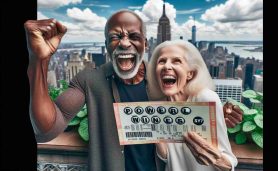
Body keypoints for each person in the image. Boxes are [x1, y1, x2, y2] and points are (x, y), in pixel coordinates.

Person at [24, 10, 242, 171]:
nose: (124, 43)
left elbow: (197, 105)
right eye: (115, 37)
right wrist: (38, 61)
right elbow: (46, 131)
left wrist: (223, 113)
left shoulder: (164, 81)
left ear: (146, 44)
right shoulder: (89, 80)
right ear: (107, 45)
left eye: (134, 37)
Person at [147, 40, 237, 171]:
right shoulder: (159, 107)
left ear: (190, 73)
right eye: (162, 61)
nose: (167, 66)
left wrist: (214, 158)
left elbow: (229, 161)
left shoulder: (206, 99)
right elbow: (168, 158)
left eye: (176, 61)